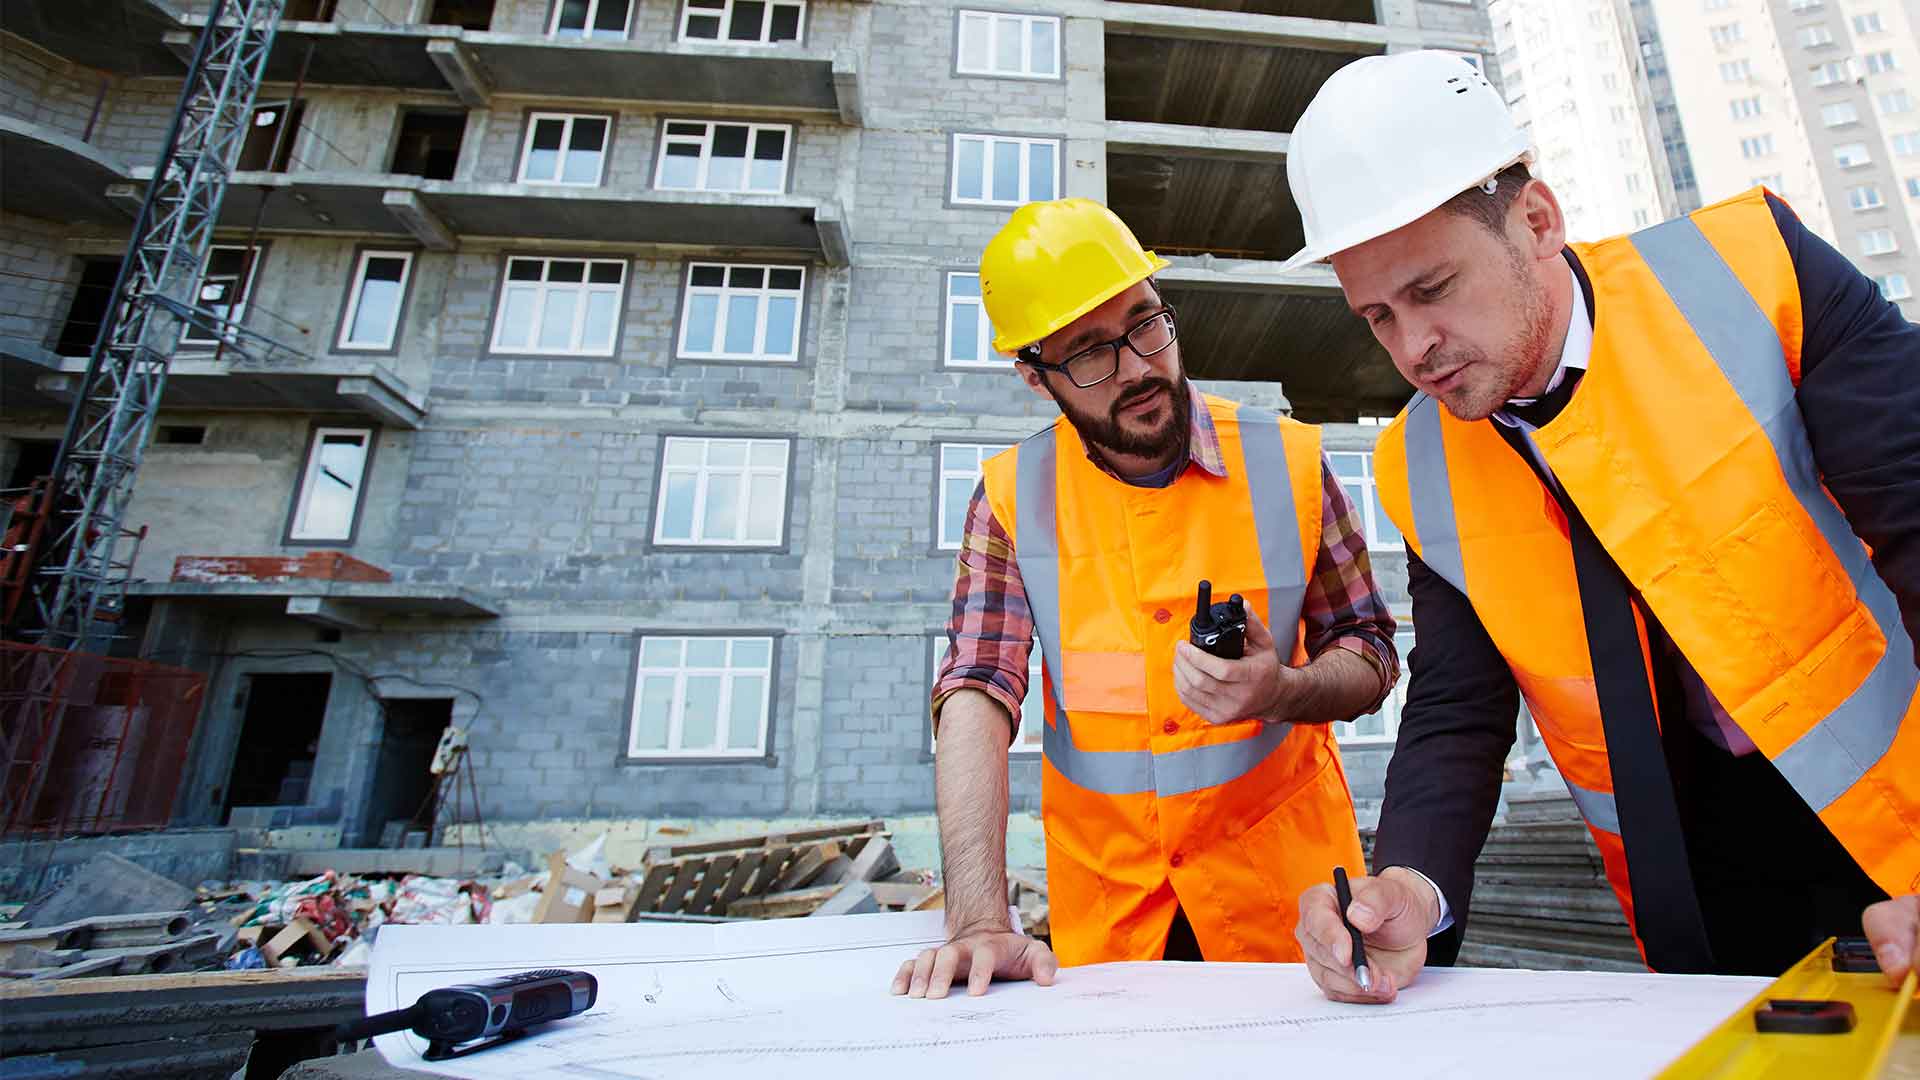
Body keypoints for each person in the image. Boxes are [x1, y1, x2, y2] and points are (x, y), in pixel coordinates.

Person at [1278, 51, 1920, 1001]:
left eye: (1432, 290)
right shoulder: (1417, 464)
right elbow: (1459, 703)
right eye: (1376, 315)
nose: (1413, 349)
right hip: (1695, 885)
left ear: (1536, 221)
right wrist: (1408, 885)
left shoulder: (1752, 272)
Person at [890, 198, 1402, 999]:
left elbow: (1370, 651)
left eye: (1145, 324)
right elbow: (977, 690)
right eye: (1090, 354)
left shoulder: (1291, 464)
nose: (1137, 367)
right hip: (1115, 927)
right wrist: (978, 917)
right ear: (1034, 375)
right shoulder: (1011, 498)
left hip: (1294, 919)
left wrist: (1285, 689)